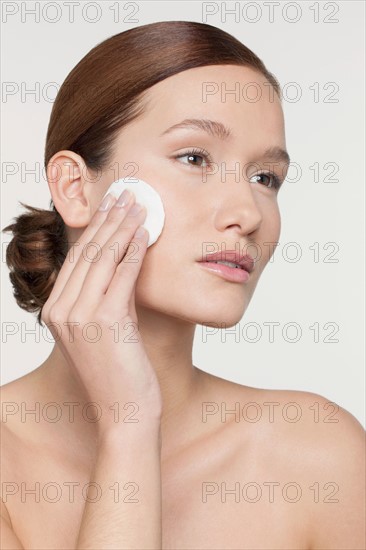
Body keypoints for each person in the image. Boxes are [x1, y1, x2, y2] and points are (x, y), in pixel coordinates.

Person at [1, 21, 364, 550]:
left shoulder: (317, 455)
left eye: (266, 178)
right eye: (194, 158)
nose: (247, 213)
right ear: (75, 188)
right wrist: (128, 428)